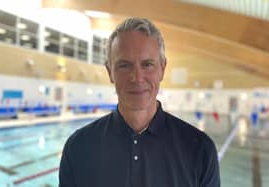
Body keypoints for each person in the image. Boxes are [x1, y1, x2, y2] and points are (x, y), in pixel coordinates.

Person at [59, 17, 220, 187]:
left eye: (147, 64)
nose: (137, 78)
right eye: (124, 65)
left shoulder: (199, 150)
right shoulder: (78, 148)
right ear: (109, 72)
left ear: (162, 69)